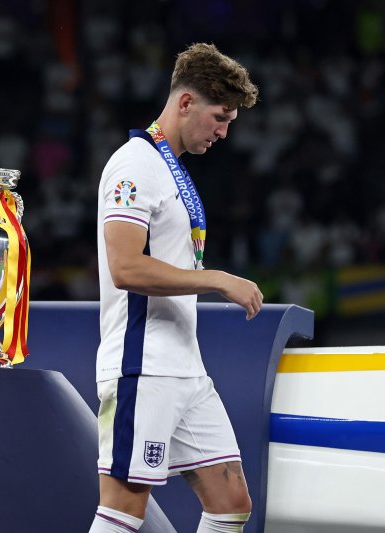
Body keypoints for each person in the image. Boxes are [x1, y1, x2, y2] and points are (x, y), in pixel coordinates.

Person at [90, 43, 263, 533]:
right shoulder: (135, 165)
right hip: (141, 365)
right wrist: (216, 279)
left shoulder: (170, 169)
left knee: (231, 501)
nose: (225, 132)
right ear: (186, 103)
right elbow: (124, 267)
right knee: (123, 507)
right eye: (221, 117)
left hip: (185, 367)